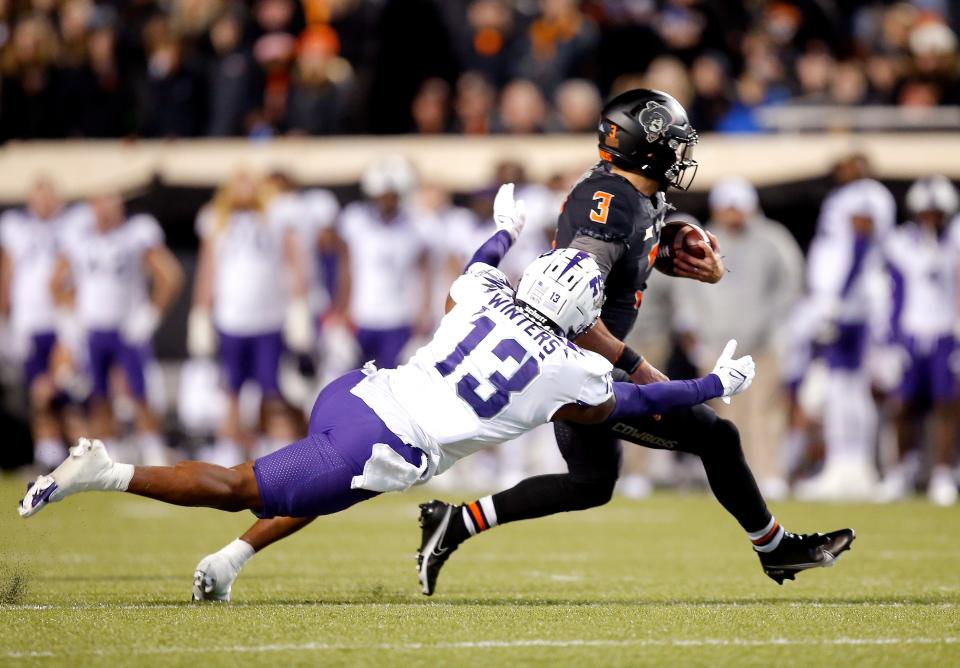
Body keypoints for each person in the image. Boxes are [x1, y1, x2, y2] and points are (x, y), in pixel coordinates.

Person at [18, 185, 758, 604]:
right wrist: (716, 383)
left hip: (359, 394)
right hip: (391, 441)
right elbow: (639, 404)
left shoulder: (483, 294)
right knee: (245, 483)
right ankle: (105, 472)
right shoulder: (567, 371)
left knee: (322, 485)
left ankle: (231, 562)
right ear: (580, 317)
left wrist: (503, 232)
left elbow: (478, 262)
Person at [418, 89, 854, 594]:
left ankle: (454, 524)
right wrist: (638, 366)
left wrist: (689, 260)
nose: (682, 155)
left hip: (582, 365)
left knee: (590, 484)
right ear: (644, 146)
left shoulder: (636, 195)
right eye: (674, 143)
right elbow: (570, 309)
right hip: (575, 365)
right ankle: (776, 550)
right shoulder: (610, 201)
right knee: (717, 436)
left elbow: (635, 251)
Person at [669, 179, 804, 499]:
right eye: (727, 207)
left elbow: (790, 284)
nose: (732, 213)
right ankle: (729, 476)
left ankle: (769, 473)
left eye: (737, 206)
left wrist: (773, 324)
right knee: (723, 415)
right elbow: (685, 288)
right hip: (715, 343)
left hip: (763, 341)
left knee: (765, 411)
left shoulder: (773, 239)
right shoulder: (699, 241)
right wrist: (691, 328)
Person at [50, 193, 183, 466]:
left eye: (111, 202)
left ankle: (152, 449)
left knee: (139, 391)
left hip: (126, 328)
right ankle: (106, 452)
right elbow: (54, 283)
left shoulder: (136, 233)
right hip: (93, 328)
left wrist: (150, 314)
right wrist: (69, 319)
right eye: (101, 202)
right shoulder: (77, 237)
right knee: (98, 394)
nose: (106, 209)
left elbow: (170, 276)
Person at [189, 171, 309, 463]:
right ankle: (227, 448)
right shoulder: (215, 220)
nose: (245, 189)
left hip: (268, 317)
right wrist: (201, 310)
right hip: (231, 318)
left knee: (271, 389)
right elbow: (208, 269)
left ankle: (270, 445)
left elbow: (294, 261)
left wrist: (298, 305)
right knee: (231, 389)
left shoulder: (277, 215)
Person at [794, 156, 896, 501]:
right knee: (847, 386)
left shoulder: (863, 194)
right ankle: (853, 465)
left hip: (851, 304)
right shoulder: (856, 195)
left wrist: (837, 299)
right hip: (847, 301)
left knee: (844, 387)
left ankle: (849, 464)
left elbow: (860, 245)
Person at [876, 176, 960, 506]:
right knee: (903, 405)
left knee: (946, 404)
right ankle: (903, 470)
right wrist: (889, 341)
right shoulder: (900, 243)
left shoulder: (954, 241)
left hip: (946, 333)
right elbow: (892, 293)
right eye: (925, 213)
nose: (930, 219)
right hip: (910, 332)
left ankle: (942, 472)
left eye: (936, 213)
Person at [0, 178, 77, 470]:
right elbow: (7, 273)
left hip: (61, 320)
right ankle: (49, 452)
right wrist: (7, 319)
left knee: (65, 388)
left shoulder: (73, 225)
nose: (43, 203)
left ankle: (73, 453)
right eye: (38, 197)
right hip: (29, 320)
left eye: (48, 196)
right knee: (36, 389)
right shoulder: (15, 226)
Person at [333, 155, 432, 369]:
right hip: (362, 316)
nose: (387, 201)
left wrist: (423, 312)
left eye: (392, 195)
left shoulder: (416, 226)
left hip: (399, 317)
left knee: (392, 385)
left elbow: (424, 273)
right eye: (382, 195)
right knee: (353, 382)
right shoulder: (355, 221)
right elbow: (346, 269)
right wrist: (341, 310)